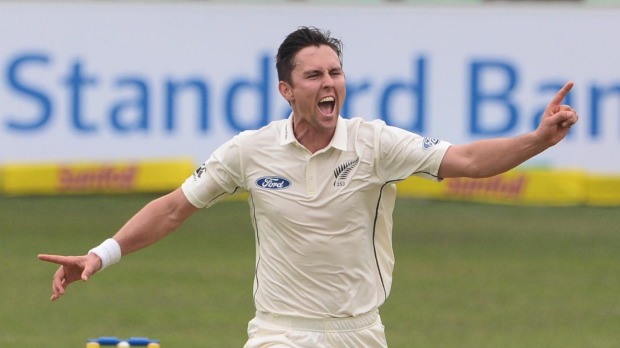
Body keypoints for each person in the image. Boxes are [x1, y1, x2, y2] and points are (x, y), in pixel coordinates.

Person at [38, 26, 579, 347]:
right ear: (286, 90)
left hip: (358, 332)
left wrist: (537, 141)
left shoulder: (376, 143)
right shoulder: (250, 150)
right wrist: (99, 255)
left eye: (336, 72)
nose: (330, 84)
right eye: (315, 76)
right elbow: (176, 207)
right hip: (279, 331)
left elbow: (465, 159)